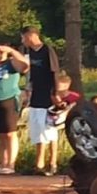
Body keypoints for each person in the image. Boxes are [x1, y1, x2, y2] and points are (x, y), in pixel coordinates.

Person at [0, 41, 30, 174]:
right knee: (0, 134)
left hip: (7, 101)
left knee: (10, 133)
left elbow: (25, 66)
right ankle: (3, 163)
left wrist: (11, 51)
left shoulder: (11, 63)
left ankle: (10, 165)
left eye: (1, 52)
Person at [21, 26, 62, 175]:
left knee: (50, 129)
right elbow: (28, 74)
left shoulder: (47, 50)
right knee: (37, 128)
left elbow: (54, 71)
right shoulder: (28, 53)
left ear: (30, 36)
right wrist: (27, 92)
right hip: (35, 95)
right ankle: (39, 163)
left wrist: (55, 93)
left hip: (48, 95)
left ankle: (52, 163)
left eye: (23, 37)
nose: (22, 41)